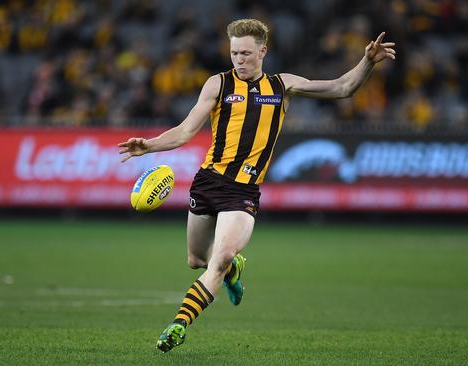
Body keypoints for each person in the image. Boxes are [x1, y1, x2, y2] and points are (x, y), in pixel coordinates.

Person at [117, 18, 395, 353]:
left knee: (218, 259)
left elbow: (341, 88)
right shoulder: (217, 84)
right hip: (207, 182)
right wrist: (148, 145)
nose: (239, 60)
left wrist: (367, 61)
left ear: (263, 51)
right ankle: (234, 271)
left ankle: (178, 324)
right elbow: (185, 130)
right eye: (234, 53)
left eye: (246, 53)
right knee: (196, 260)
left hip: (243, 191)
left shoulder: (283, 86)